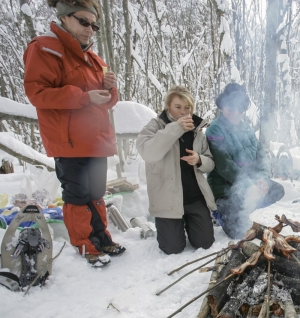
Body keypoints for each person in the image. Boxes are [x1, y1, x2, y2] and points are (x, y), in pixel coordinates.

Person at [23, 0, 125, 267]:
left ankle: (102, 239)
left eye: (94, 25)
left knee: (96, 193)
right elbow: (37, 93)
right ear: (65, 18)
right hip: (69, 141)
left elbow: (107, 101)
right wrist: (83, 97)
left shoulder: (93, 58)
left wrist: (109, 89)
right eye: (83, 22)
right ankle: (85, 245)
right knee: (78, 196)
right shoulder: (45, 48)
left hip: (96, 140)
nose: (90, 30)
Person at [137, 86, 216, 254]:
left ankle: (190, 221)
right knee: (172, 248)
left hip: (194, 197)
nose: (183, 112)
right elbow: (148, 153)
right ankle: (173, 226)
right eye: (178, 106)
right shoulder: (155, 126)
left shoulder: (197, 131)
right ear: (168, 106)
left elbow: (210, 163)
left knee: (205, 243)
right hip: (168, 198)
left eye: (187, 108)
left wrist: (199, 159)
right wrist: (176, 128)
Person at [206, 83, 284, 239]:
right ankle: (220, 212)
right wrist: (250, 185)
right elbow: (225, 165)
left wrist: (262, 178)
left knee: (277, 189)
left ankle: (242, 209)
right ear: (222, 107)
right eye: (231, 108)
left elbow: (261, 154)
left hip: (249, 186)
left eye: (240, 109)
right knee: (237, 233)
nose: (235, 113)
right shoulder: (214, 129)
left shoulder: (247, 129)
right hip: (225, 190)